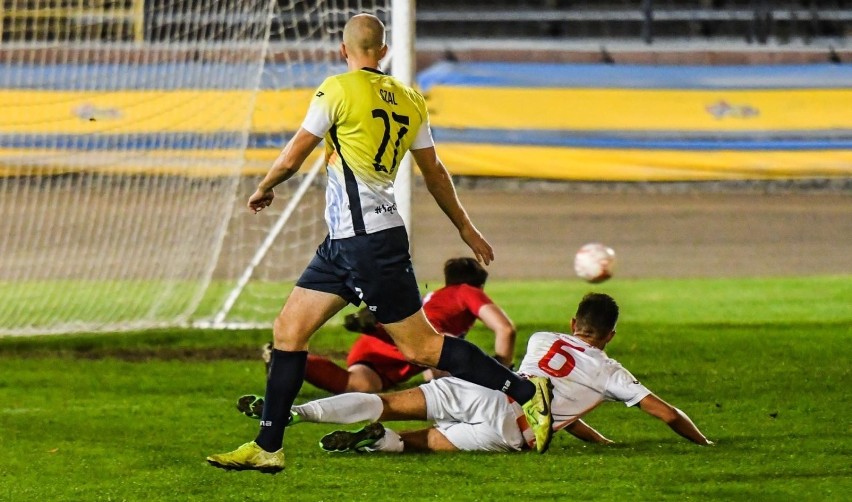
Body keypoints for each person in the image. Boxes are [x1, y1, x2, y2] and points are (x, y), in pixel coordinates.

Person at [206, 13, 552, 473]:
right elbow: (435, 174)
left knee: (421, 349)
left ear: (342, 51)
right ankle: (268, 448)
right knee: (288, 331)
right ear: (384, 52)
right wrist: (466, 228)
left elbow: (294, 154)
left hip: (368, 241)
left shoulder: (336, 88)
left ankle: (528, 393)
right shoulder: (410, 99)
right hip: (347, 243)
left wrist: (265, 185)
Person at [279, 293, 712, 454]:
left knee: (386, 403)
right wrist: (704, 441)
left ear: (571, 322)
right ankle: (380, 442)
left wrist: (597, 440)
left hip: (487, 389)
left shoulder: (543, 339)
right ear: (611, 335)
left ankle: (297, 413)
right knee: (423, 444)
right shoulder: (609, 371)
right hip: (511, 425)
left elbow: (555, 397)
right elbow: (666, 413)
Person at [236, 257, 516, 418]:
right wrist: (501, 369)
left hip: (386, 346)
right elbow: (505, 329)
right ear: (478, 283)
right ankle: (374, 325)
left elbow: (436, 372)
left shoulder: (438, 296)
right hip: (413, 342)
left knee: (356, 385)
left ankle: (290, 358)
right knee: (449, 353)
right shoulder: (467, 290)